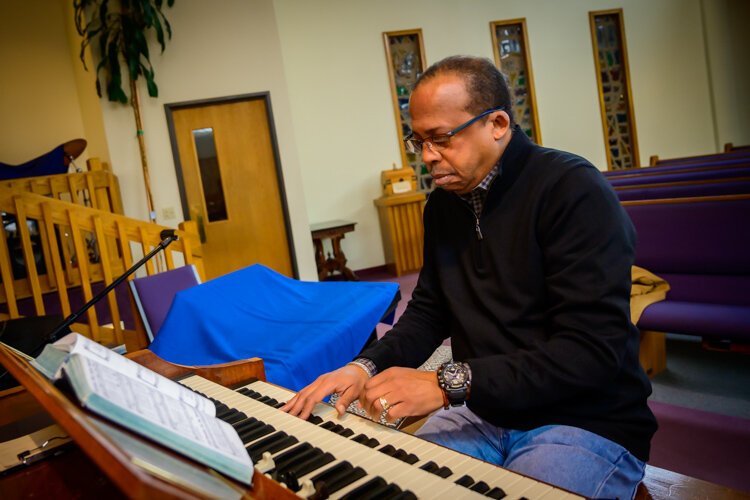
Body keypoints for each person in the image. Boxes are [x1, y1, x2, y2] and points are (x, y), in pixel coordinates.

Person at [282, 55, 657, 498]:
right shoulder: (443, 205)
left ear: (497, 123)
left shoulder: (572, 190)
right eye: (417, 140)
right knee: (392, 487)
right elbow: (429, 312)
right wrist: (363, 367)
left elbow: (590, 352)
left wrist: (445, 384)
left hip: (584, 418)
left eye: (441, 138)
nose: (427, 157)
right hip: (484, 410)